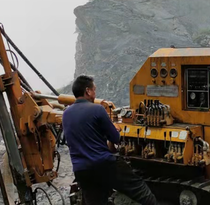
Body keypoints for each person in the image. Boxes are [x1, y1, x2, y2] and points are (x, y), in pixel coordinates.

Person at [62, 75, 158, 205]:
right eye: (94, 90)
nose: (95, 94)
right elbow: (115, 139)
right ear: (87, 91)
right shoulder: (97, 109)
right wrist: (114, 129)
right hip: (104, 165)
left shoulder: (66, 114)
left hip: (81, 170)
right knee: (140, 190)